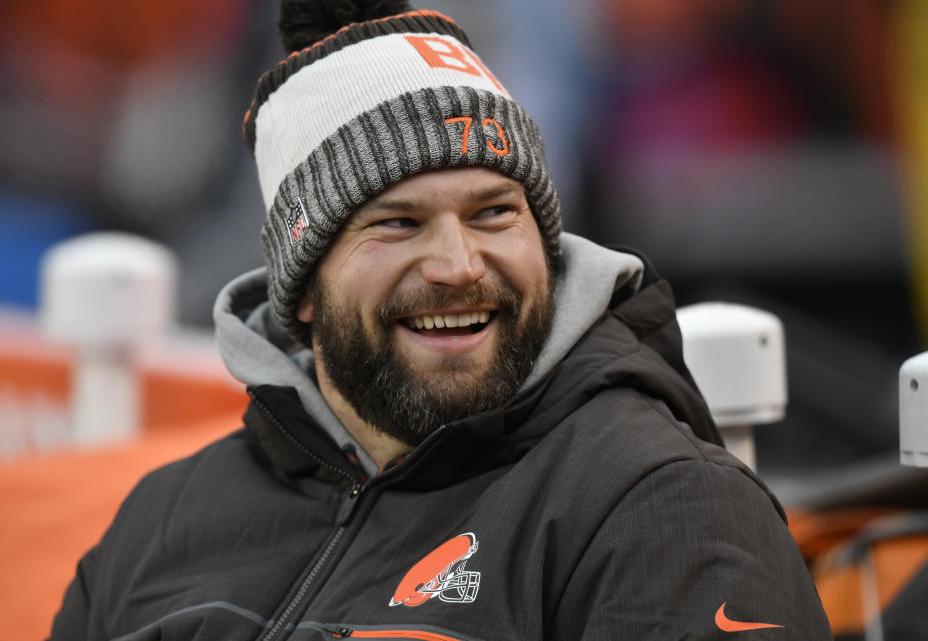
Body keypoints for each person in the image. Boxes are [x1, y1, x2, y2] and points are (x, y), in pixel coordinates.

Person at [49, 1, 833, 639]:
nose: (459, 263)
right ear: (304, 291)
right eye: (397, 223)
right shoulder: (165, 518)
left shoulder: (658, 505)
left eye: (494, 212)